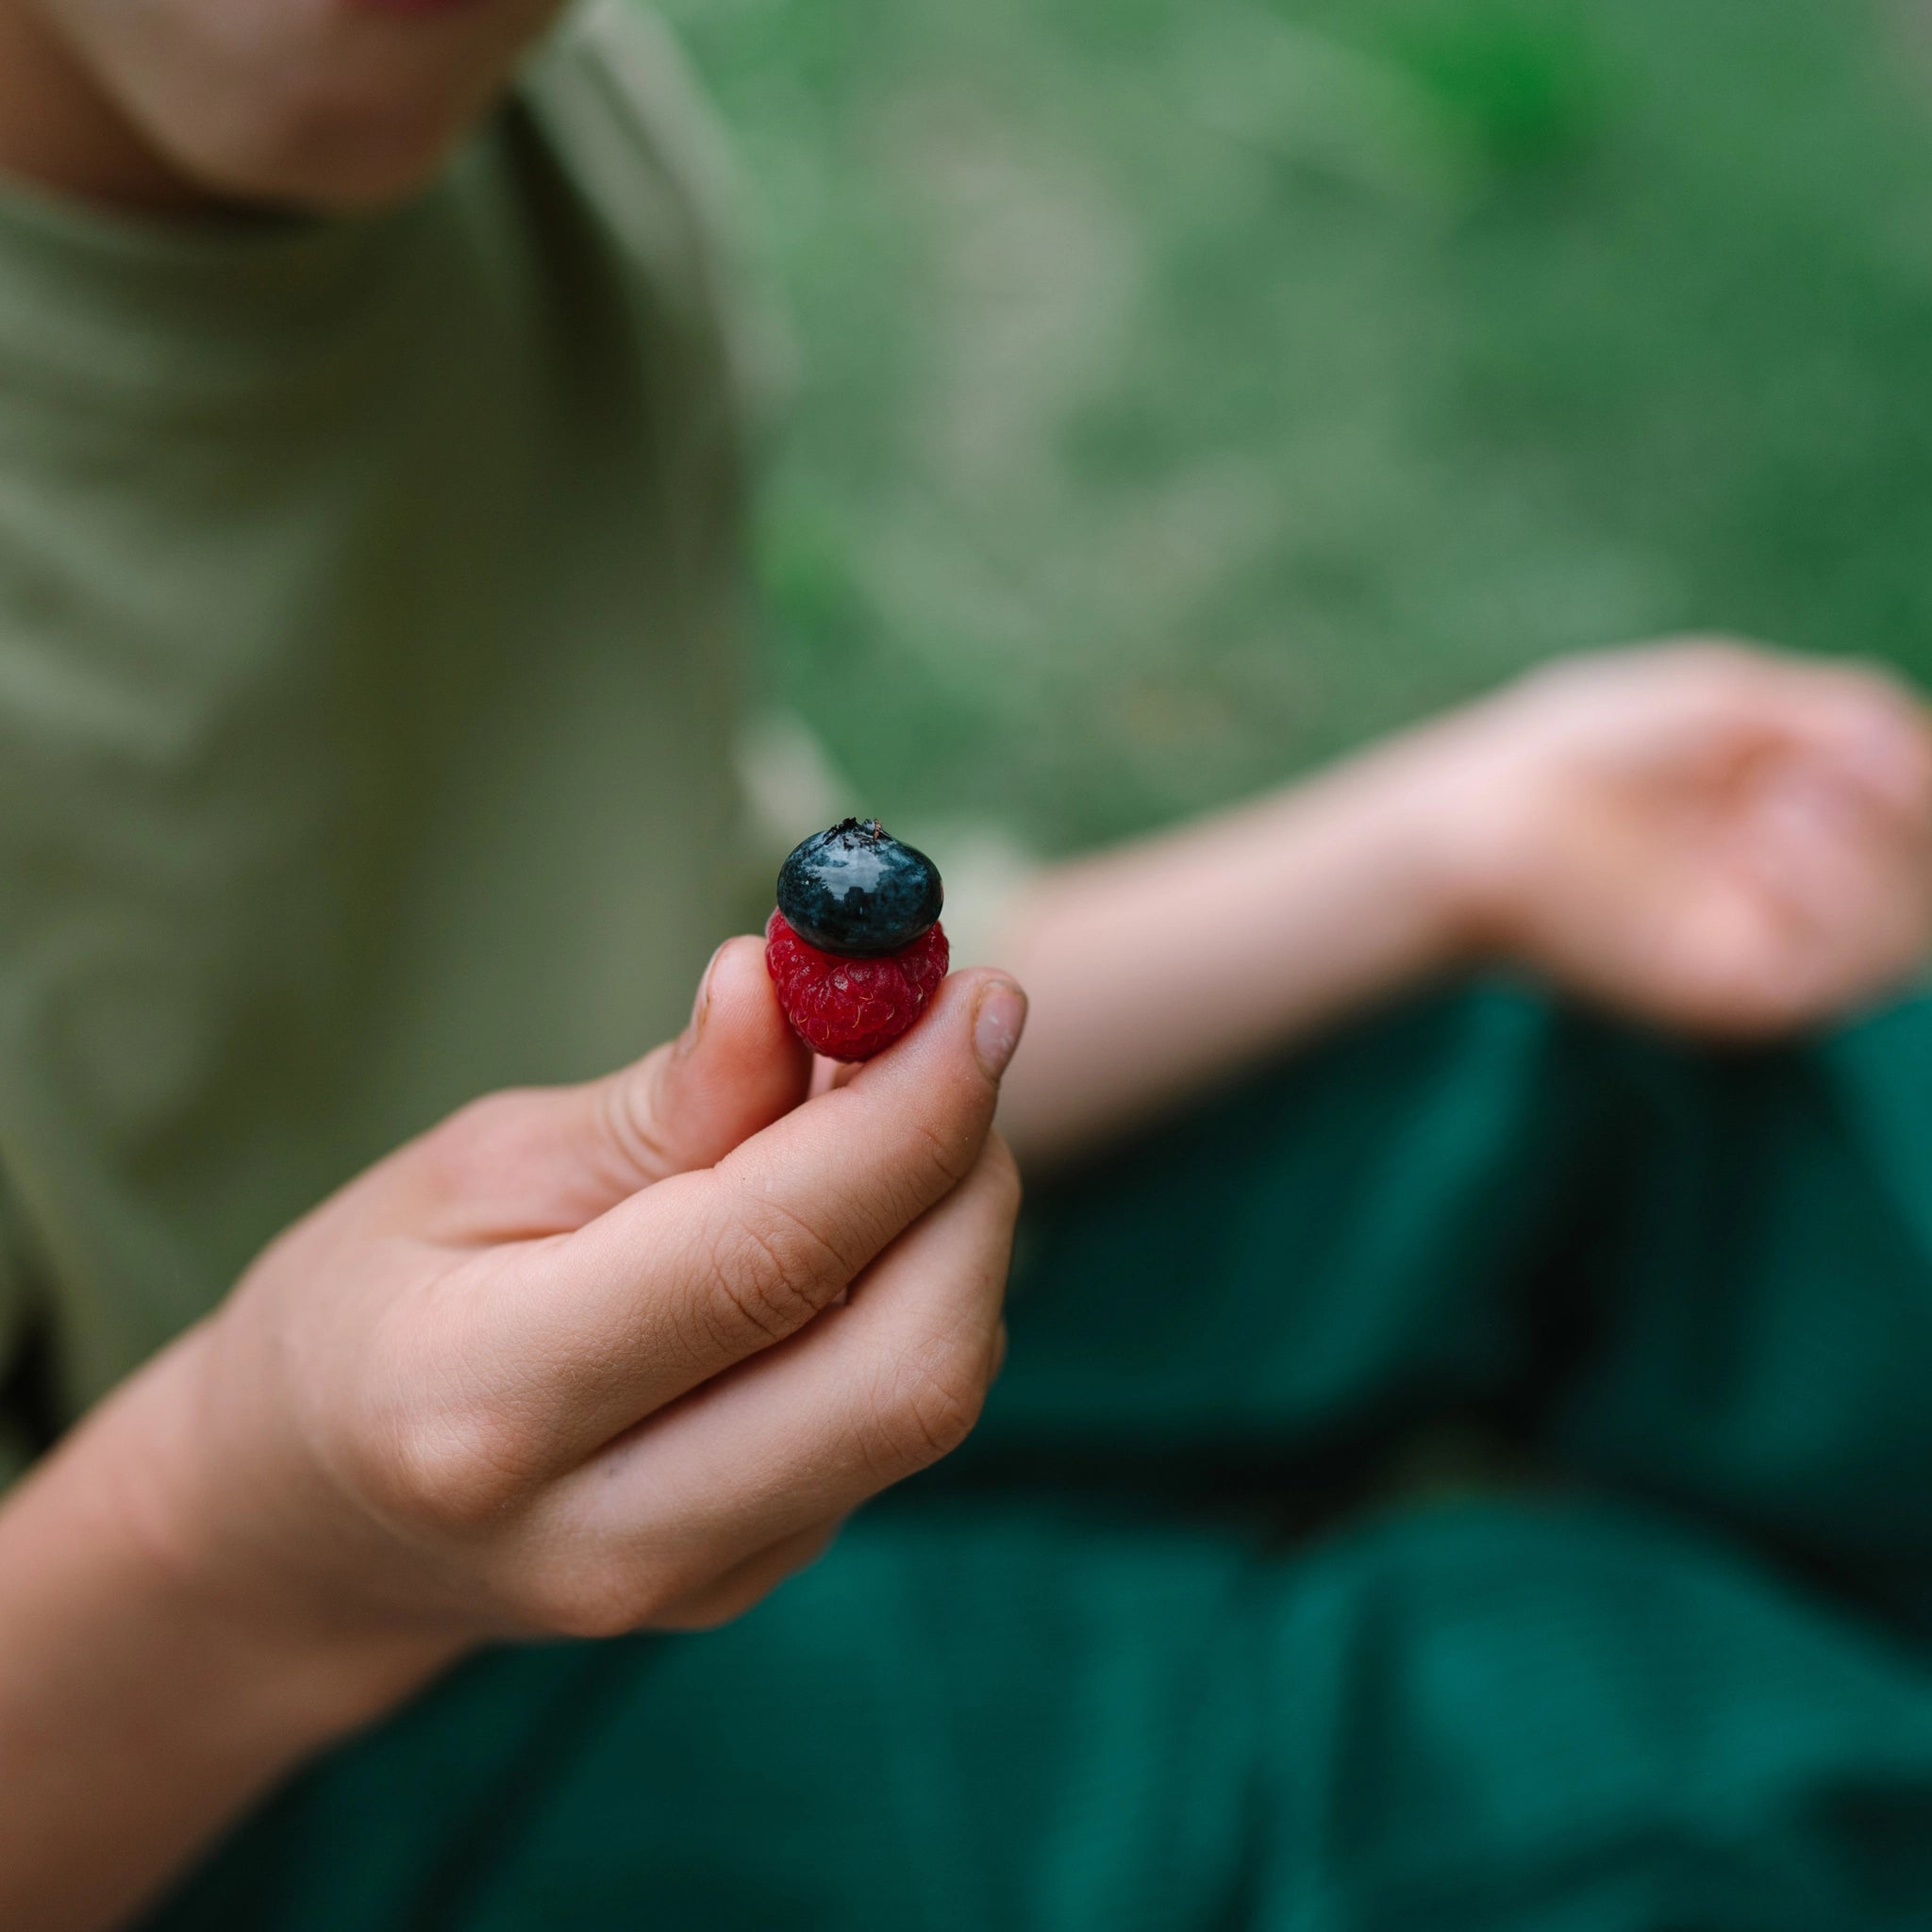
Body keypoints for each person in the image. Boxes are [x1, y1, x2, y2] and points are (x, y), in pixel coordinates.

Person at [4, 3, 1932, 1928]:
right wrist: (240, 1541)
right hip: (211, 1748)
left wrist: (1446, 857)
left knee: (1714, 1051)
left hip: (562, 1324)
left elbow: (676, 970)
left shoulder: (530, 137)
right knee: (1636, 1796)